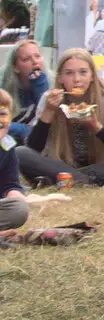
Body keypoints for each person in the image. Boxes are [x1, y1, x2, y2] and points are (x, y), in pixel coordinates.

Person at [21, 48, 104, 186]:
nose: (77, 79)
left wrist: (97, 127)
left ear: (92, 75)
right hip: (57, 166)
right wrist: (48, 112)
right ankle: (87, 181)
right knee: (20, 153)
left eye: (83, 72)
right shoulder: (49, 99)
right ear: (60, 78)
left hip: (97, 166)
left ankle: (72, 180)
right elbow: (33, 149)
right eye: (69, 73)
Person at [2, 41, 50, 143]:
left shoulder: (50, 83)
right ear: (15, 67)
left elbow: (47, 124)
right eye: (26, 59)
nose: (34, 61)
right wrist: (24, 129)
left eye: (37, 56)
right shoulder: (4, 89)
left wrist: (40, 84)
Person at [0, 91, 32, 236]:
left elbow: (10, 184)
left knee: (19, 209)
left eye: (2, 114)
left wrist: (19, 197)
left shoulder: (7, 147)